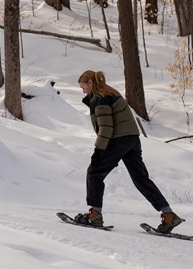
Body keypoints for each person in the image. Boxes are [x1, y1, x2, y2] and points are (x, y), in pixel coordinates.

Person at [75, 70, 183, 233]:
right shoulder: (111, 93)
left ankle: (94, 215)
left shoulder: (100, 98)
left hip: (118, 140)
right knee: (141, 179)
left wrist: (98, 151)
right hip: (132, 139)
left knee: (94, 172)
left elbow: (106, 127)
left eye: (83, 87)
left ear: (90, 83)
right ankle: (169, 215)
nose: (83, 91)